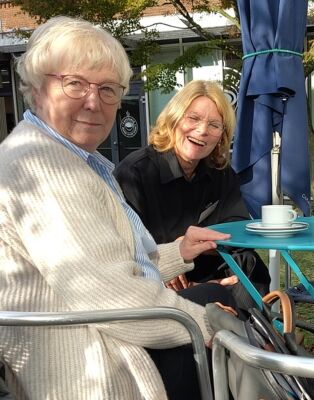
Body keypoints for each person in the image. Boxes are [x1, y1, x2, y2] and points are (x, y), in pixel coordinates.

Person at [0, 16, 236, 399]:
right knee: (226, 313)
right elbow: (111, 296)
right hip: (98, 366)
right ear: (37, 87)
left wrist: (180, 251)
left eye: (108, 88)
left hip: (111, 331)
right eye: (75, 83)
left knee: (222, 300)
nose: (94, 102)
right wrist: (212, 327)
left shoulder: (80, 159)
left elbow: (110, 265)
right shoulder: (42, 165)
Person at [114, 80, 270, 306]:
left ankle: (249, 325)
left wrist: (196, 246)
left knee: (249, 263)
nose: (202, 130)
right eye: (193, 118)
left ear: (222, 136)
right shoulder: (134, 174)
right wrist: (174, 254)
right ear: (174, 119)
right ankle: (239, 322)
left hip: (207, 271)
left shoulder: (221, 174)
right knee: (216, 296)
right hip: (152, 283)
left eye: (214, 125)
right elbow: (124, 252)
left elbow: (237, 232)